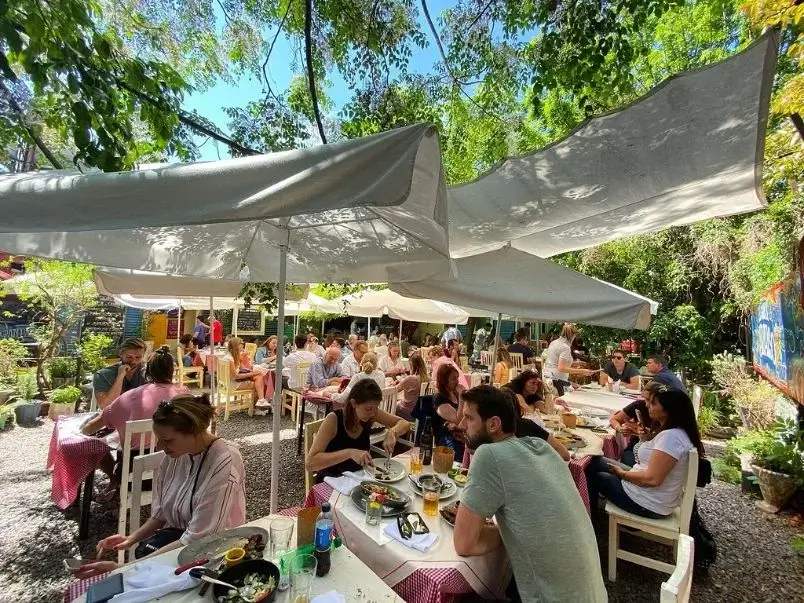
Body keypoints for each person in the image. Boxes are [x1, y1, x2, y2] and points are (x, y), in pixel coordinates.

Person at [453, 386, 607, 603]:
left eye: (468, 418)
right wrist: (522, 528)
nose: (461, 425)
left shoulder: (489, 454)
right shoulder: (540, 447)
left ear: (494, 424)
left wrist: (508, 530)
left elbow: (464, 543)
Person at [74, 393, 247, 578]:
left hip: (218, 555)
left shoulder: (224, 461)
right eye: (158, 439)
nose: (159, 446)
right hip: (181, 544)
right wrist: (130, 538)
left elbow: (198, 539)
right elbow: (161, 513)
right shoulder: (175, 456)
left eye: (168, 440)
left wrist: (124, 568)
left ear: (195, 431)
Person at [82, 348, 188, 498]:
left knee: (96, 444)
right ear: (172, 371)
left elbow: (88, 430)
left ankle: (117, 489)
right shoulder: (185, 395)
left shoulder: (129, 397)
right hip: (178, 472)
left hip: (136, 476)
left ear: (147, 372)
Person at [586, 389, 703, 519]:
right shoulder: (673, 432)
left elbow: (652, 479)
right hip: (646, 490)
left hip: (647, 502)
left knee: (594, 473)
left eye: (653, 403)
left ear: (667, 410)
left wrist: (622, 474)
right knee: (594, 461)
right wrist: (645, 436)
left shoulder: (671, 438)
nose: (647, 405)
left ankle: (589, 519)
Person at [307, 380, 410, 482]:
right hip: (332, 481)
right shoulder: (334, 419)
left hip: (359, 477)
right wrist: (349, 453)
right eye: (368, 409)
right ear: (353, 403)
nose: (373, 414)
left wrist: (392, 432)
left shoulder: (372, 413)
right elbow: (310, 464)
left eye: (376, 408)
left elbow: (404, 423)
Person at [499, 388, 570, 461]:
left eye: (536, 384)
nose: (535, 386)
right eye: (532, 383)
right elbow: (565, 454)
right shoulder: (527, 425)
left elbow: (565, 454)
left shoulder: (495, 432)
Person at [609, 382, 662, 466]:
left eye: (651, 401)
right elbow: (615, 419)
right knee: (598, 462)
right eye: (645, 399)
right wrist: (620, 428)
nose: (647, 404)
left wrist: (643, 433)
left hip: (652, 454)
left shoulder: (665, 417)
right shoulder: (639, 405)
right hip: (635, 448)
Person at [93, 338, 149, 409]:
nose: (133, 361)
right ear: (121, 354)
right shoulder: (103, 375)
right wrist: (120, 376)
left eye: (138, 357)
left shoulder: (148, 372)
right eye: (129, 357)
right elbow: (105, 406)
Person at [543, 323, 594, 395]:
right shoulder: (565, 347)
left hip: (548, 378)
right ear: (573, 336)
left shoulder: (553, 343)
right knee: (580, 394)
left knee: (578, 388)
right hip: (557, 380)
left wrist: (576, 363)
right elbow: (561, 368)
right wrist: (582, 371)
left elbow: (557, 362)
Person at [223, 337, 270, 409]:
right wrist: (251, 374)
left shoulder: (233, 356)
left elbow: (242, 369)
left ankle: (261, 401)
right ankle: (258, 405)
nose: (243, 345)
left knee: (259, 376)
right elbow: (235, 376)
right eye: (241, 343)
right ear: (236, 345)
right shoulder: (229, 359)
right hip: (233, 384)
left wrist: (241, 361)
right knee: (259, 383)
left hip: (231, 381)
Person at [432, 364, 465, 458]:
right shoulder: (439, 398)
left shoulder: (455, 393)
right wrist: (462, 398)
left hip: (459, 434)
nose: (457, 381)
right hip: (446, 438)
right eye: (453, 379)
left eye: (457, 377)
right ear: (444, 381)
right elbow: (458, 421)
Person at [395, 353, 427, 420]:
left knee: (391, 407)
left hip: (409, 412)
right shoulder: (428, 379)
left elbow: (395, 390)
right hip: (422, 412)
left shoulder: (411, 379)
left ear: (412, 365)